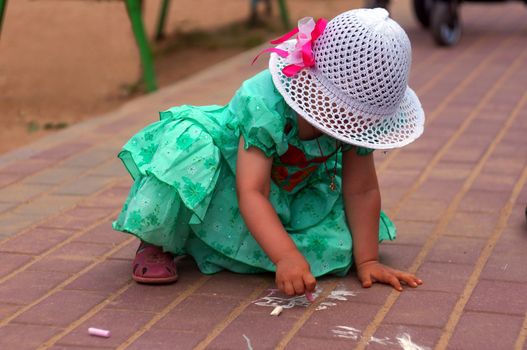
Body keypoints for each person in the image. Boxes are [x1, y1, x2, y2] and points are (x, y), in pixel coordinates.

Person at [113, 8, 425, 296]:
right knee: (188, 151)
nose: (352, 124)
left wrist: (368, 260)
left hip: (286, 194)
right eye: (346, 112)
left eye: (361, 119)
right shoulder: (265, 104)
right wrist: (286, 256)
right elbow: (252, 190)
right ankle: (160, 240)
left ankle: (208, 242)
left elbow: (362, 190)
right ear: (315, 85)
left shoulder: (358, 122)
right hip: (227, 177)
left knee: (340, 248)